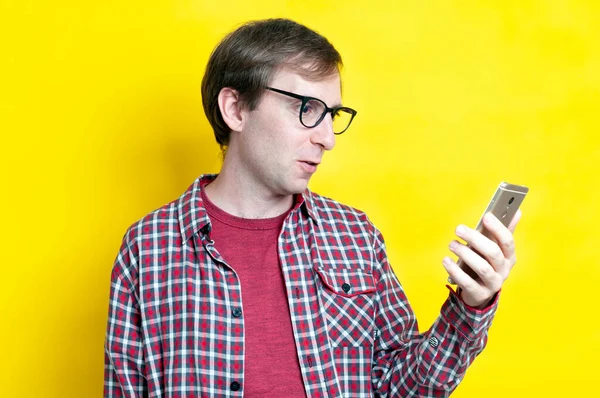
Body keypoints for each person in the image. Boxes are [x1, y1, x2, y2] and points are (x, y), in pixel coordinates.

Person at [104, 18, 522, 397]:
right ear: (235, 109)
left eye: (333, 114)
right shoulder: (148, 249)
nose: (328, 138)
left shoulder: (354, 235)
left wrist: (469, 308)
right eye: (306, 109)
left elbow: (401, 387)